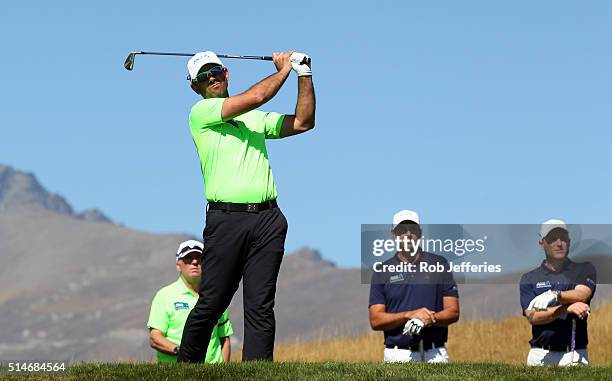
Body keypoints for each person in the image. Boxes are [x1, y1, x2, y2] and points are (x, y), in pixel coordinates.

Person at [177, 50, 316, 362]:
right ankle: (186, 367)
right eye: (203, 76)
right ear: (195, 87)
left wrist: (303, 75)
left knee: (260, 304)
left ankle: (257, 369)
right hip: (226, 220)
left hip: (268, 218)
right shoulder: (202, 113)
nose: (211, 78)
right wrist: (283, 70)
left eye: (215, 72)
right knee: (213, 301)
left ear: (226, 73)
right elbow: (255, 97)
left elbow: (304, 122)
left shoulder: (254, 120)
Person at [369, 210, 460, 363]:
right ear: (393, 234)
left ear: (420, 233)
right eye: (402, 230)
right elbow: (376, 320)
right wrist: (409, 315)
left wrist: (429, 319)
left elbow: (453, 311)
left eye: (413, 229)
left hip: (435, 354)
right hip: (398, 355)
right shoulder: (381, 271)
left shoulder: (439, 264)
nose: (408, 234)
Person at [520, 219, 596, 366]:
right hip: (540, 355)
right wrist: (566, 308)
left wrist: (555, 295)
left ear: (569, 241)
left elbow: (582, 294)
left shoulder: (584, 269)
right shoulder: (529, 278)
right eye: (552, 239)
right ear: (542, 243)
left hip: (574, 354)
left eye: (563, 238)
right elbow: (533, 316)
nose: (559, 243)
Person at [147, 240, 232, 363]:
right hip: (176, 372)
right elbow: (155, 338)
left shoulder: (217, 296)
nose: (194, 262)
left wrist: (223, 371)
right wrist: (183, 353)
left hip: (213, 373)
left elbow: (224, 338)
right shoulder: (165, 295)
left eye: (199, 258)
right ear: (178, 265)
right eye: (188, 258)